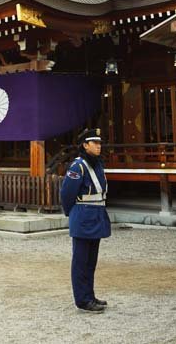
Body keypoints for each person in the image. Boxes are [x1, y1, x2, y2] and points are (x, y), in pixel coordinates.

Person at [60, 128, 111, 313]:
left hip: (96, 216)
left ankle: (90, 295)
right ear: (85, 145)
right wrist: (72, 214)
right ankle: (82, 300)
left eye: (99, 143)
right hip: (82, 216)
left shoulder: (97, 164)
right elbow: (66, 194)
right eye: (95, 143)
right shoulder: (78, 166)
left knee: (91, 261)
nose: (99, 146)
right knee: (81, 262)